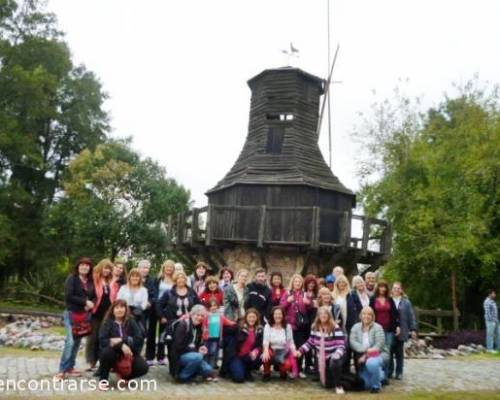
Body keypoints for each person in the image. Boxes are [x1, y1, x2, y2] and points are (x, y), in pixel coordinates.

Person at [55, 257, 96, 380]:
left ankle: (70, 367)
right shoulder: (71, 278)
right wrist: (85, 302)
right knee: (70, 342)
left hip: (84, 315)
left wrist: (92, 303)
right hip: (71, 314)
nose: (84, 267)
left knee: (77, 343)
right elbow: (69, 296)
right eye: (82, 265)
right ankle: (62, 370)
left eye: (87, 265)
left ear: (90, 268)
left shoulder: (90, 281)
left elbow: (94, 296)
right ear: (78, 267)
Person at [96, 299, 148, 390]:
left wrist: (121, 340)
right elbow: (103, 340)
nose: (119, 310)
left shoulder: (131, 321)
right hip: (112, 353)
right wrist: (121, 345)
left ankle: (125, 377)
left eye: (122, 307)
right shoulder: (107, 322)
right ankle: (103, 379)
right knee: (106, 353)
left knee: (143, 367)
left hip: (129, 353)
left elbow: (139, 338)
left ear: (126, 309)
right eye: (117, 307)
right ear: (113, 310)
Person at [295, 306, 347, 394]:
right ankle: (339, 380)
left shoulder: (335, 327)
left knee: (334, 362)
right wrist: (300, 351)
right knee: (327, 385)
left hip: (334, 357)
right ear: (318, 316)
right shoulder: (315, 327)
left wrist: (337, 354)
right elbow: (311, 342)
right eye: (321, 314)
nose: (323, 315)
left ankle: (339, 386)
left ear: (329, 315)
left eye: (325, 314)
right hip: (321, 358)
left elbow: (341, 345)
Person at [170, 305, 218, 382]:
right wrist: (194, 349)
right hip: (179, 356)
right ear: (192, 314)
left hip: (192, 354)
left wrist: (201, 347)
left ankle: (200, 373)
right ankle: (182, 377)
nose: (199, 317)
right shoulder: (183, 325)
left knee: (207, 369)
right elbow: (178, 346)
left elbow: (198, 343)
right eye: (197, 315)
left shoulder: (199, 327)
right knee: (198, 357)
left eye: (202, 316)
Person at [349, 306, 389, 393]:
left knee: (371, 363)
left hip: (379, 355)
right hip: (362, 357)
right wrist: (366, 350)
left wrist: (366, 354)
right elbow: (353, 342)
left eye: (369, 314)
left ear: (372, 316)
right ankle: (381, 375)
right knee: (366, 384)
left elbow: (379, 345)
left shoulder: (378, 327)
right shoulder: (355, 327)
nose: (366, 316)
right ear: (360, 315)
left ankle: (376, 386)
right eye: (364, 314)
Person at [281, 273, 313, 378]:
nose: (298, 283)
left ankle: (298, 369)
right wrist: (287, 301)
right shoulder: (287, 293)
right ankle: (290, 369)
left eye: (299, 282)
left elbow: (311, 309)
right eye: (296, 281)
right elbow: (280, 308)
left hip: (301, 326)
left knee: (300, 347)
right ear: (292, 282)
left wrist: (308, 303)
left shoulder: (305, 294)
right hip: (289, 326)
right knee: (289, 347)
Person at [146, 259, 176, 366]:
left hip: (167, 309)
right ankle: (149, 356)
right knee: (151, 332)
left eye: (171, 267)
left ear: (173, 269)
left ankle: (161, 356)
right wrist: (156, 303)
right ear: (164, 268)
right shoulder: (157, 279)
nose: (169, 269)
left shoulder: (175, 280)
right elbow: (154, 293)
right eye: (167, 267)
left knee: (163, 334)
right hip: (156, 307)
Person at [86, 258, 114, 371]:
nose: (106, 270)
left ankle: (104, 361)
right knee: (93, 338)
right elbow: (90, 294)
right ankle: (92, 361)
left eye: (109, 269)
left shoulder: (110, 281)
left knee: (104, 338)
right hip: (96, 313)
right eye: (105, 268)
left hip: (107, 314)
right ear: (101, 267)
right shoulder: (94, 279)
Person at [224, 308, 263, 383]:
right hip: (237, 356)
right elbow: (226, 331)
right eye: (250, 317)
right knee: (239, 378)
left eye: (253, 317)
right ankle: (233, 369)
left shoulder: (259, 329)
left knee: (261, 356)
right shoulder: (239, 327)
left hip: (249, 356)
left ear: (257, 318)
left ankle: (247, 370)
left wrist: (256, 350)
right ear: (246, 318)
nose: (252, 319)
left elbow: (261, 344)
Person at [369, 280, 399, 377]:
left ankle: (387, 373)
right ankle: (379, 372)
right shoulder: (373, 299)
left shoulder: (390, 299)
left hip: (389, 329)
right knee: (377, 350)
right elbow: (370, 313)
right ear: (378, 288)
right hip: (376, 329)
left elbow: (395, 314)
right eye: (380, 287)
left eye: (384, 287)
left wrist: (397, 326)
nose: (382, 289)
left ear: (386, 289)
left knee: (388, 351)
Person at [389, 282, 417, 380]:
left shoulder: (406, 302)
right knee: (389, 352)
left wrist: (413, 329)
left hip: (403, 330)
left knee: (399, 353)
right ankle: (390, 371)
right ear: (391, 290)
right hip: (390, 330)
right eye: (394, 288)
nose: (396, 290)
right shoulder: (389, 300)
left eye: (398, 288)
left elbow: (411, 316)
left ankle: (399, 372)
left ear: (401, 290)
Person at [262, 306, 298, 380]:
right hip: (272, 350)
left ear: (283, 315)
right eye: (276, 314)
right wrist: (265, 350)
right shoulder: (268, 326)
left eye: (280, 314)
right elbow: (266, 340)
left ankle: (283, 372)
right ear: (272, 315)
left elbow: (290, 342)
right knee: (265, 355)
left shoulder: (287, 327)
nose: (278, 316)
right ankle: (266, 373)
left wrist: (294, 351)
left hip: (283, 352)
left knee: (288, 365)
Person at [202, 299, 237, 368]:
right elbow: (203, 326)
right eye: (211, 306)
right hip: (207, 338)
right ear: (208, 307)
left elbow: (229, 322)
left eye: (215, 305)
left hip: (216, 338)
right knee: (206, 353)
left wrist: (237, 323)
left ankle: (211, 368)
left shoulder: (220, 316)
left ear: (218, 306)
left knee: (213, 353)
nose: (213, 307)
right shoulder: (206, 316)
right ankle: (205, 369)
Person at [138, 259, 158, 367]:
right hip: (137, 311)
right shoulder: (135, 278)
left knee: (151, 333)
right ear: (139, 268)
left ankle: (149, 356)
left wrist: (150, 302)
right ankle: (137, 354)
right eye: (143, 267)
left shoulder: (152, 280)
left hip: (150, 309)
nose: (145, 270)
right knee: (139, 332)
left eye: (147, 268)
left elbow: (154, 294)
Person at [117, 268, 149, 336]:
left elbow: (144, 304)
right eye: (133, 276)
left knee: (138, 336)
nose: (135, 278)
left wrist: (136, 312)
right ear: (129, 277)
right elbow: (118, 301)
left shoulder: (144, 290)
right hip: (124, 314)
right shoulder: (123, 288)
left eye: (137, 276)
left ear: (140, 278)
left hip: (138, 316)